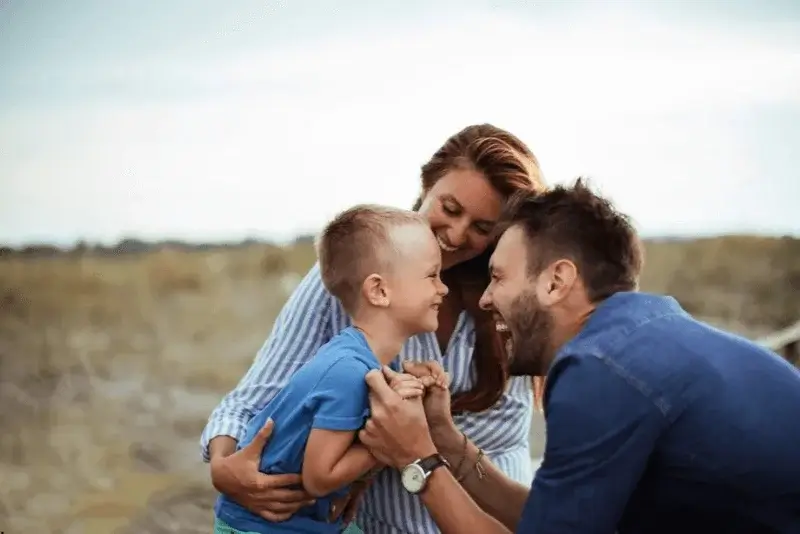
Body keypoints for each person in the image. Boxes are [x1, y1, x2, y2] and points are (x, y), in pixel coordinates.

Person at [357, 179, 800, 534]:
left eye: (498, 278)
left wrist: (416, 460)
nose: (487, 299)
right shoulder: (647, 344)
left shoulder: (600, 369)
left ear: (556, 282)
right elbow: (551, 518)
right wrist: (447, 445)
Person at [200, 124, 547, 534]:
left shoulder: (507, 299)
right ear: (426, 186)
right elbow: (259, 395)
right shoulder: (359, 274)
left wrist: (412, 442)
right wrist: (225, 467)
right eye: (450, 209)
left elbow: (495, 442)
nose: (455, 234)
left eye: (482, 228)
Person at [213, 205, 450, 533]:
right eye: (431, 275)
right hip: (264, 527)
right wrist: (386, 442)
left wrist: (415, 388)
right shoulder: (346, 372)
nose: (443, 288)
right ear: (379, 291)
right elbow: (319, 477)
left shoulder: (373, 360)